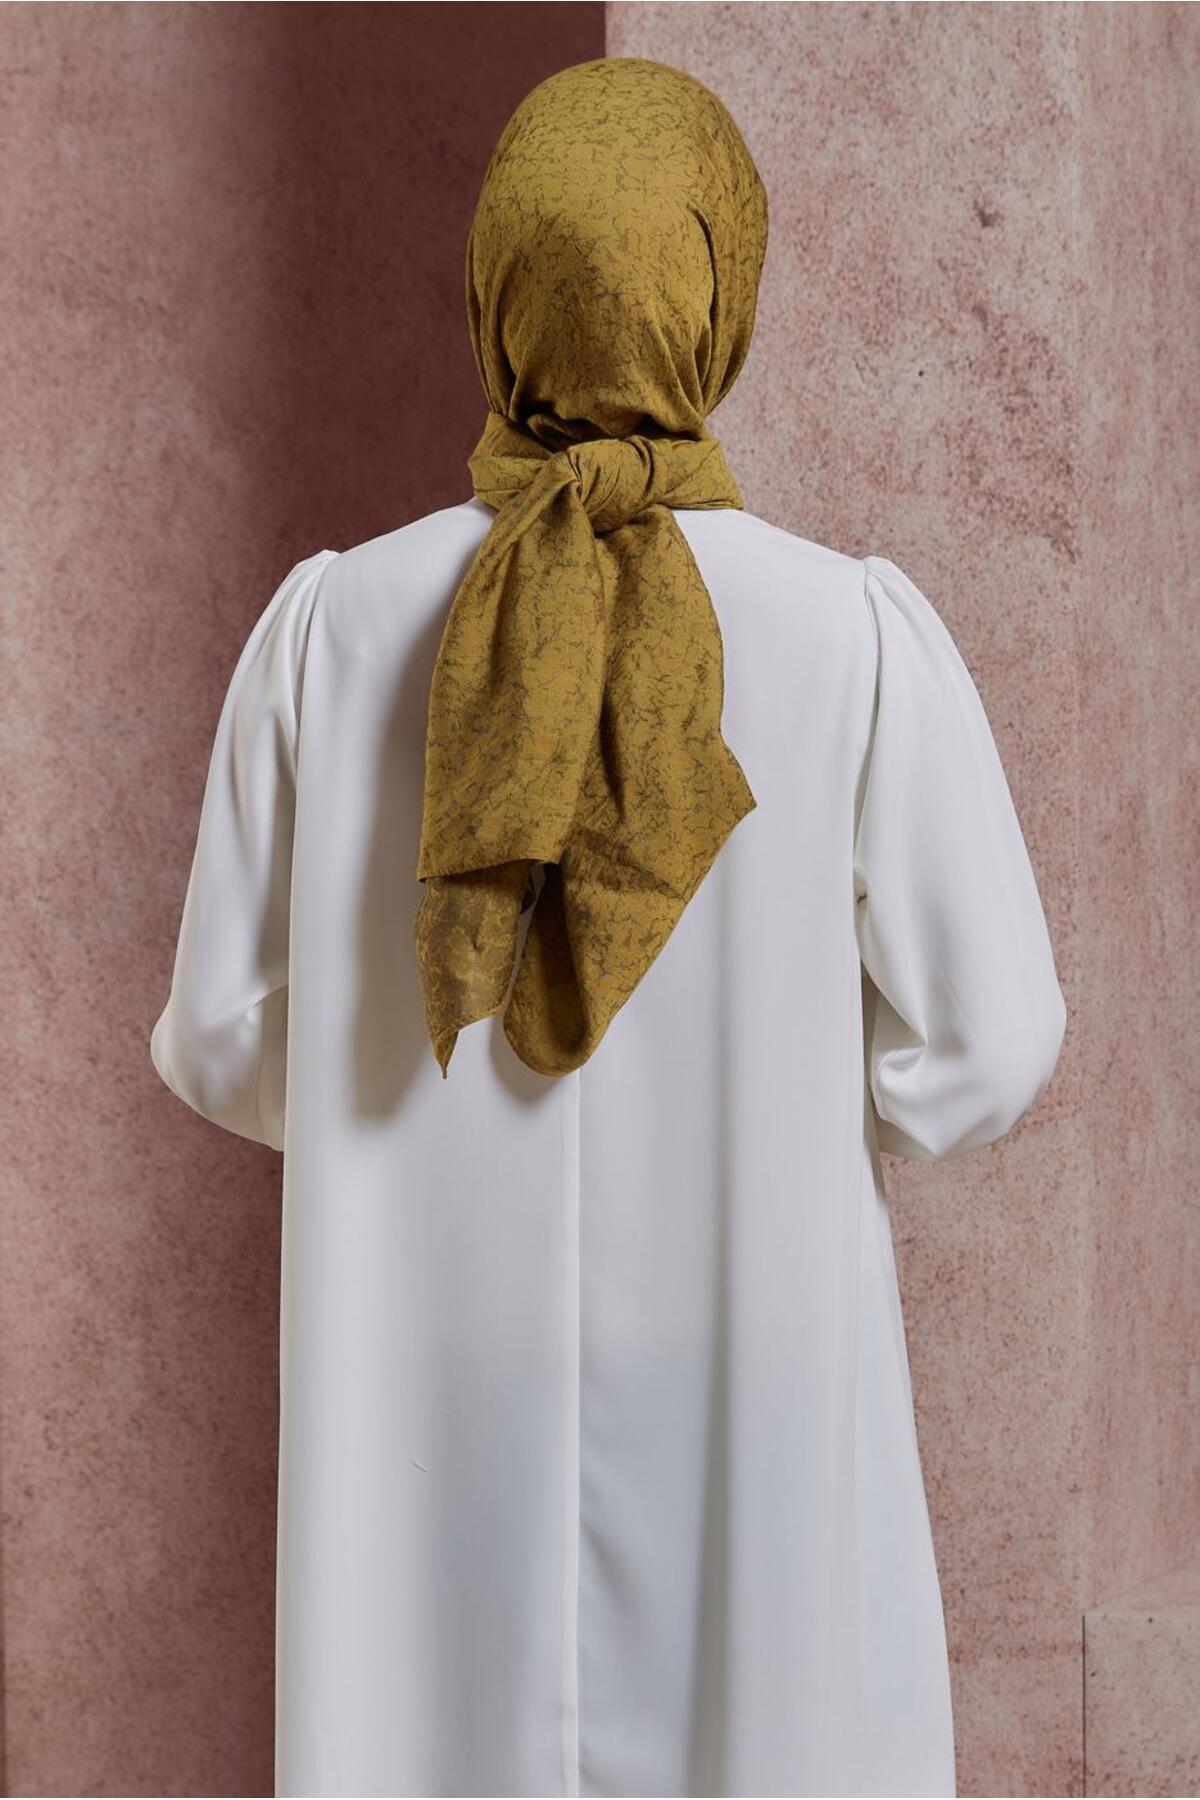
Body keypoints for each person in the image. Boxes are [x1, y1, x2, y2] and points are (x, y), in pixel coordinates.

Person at [149, 55, 1066, 1800]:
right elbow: (991, 1044)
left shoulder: (334, 631)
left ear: (497, 291)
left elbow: (216, 1034)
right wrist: (790, 1107)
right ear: (723, 293)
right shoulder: (850, 638)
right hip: (753, 1376)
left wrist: (381, 1120)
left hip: (426, 1385)